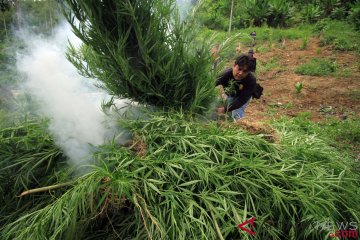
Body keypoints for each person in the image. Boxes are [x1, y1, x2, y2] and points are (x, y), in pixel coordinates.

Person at [216, 54, 257, 120]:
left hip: (242, 96)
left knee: (237, 113)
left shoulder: (251, 80)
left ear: (248, 72)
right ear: (234, 66)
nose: (240, 73)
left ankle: (238, 126)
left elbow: (242, 99)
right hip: (231, 94)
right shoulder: (226, 74)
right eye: (239, 69)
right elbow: (212, 84)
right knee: (229, 108)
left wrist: (225, 109)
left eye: (244, 71)